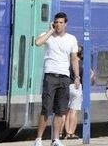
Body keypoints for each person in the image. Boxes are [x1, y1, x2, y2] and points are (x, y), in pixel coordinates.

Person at [33, 12, 79, 146]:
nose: (58, 25)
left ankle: (55, 139)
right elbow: (37, 42)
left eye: (60, 22)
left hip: (64, 77)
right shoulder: (47, 36)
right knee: (46, 109)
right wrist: (50, 31)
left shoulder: (71, 39)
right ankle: (39, 139)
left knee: (60, 110)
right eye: (56, 22)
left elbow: (74, 59)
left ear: (65, 24)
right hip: (50, 76)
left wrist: (76, 76)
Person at [64, 44, 94, 139]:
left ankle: (65, 133)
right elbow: (91, 73)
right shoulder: (81, 63)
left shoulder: (68, 62)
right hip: (76, 87)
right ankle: (71, 132)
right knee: (74, 111)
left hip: (67, 86)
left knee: (67, 111)